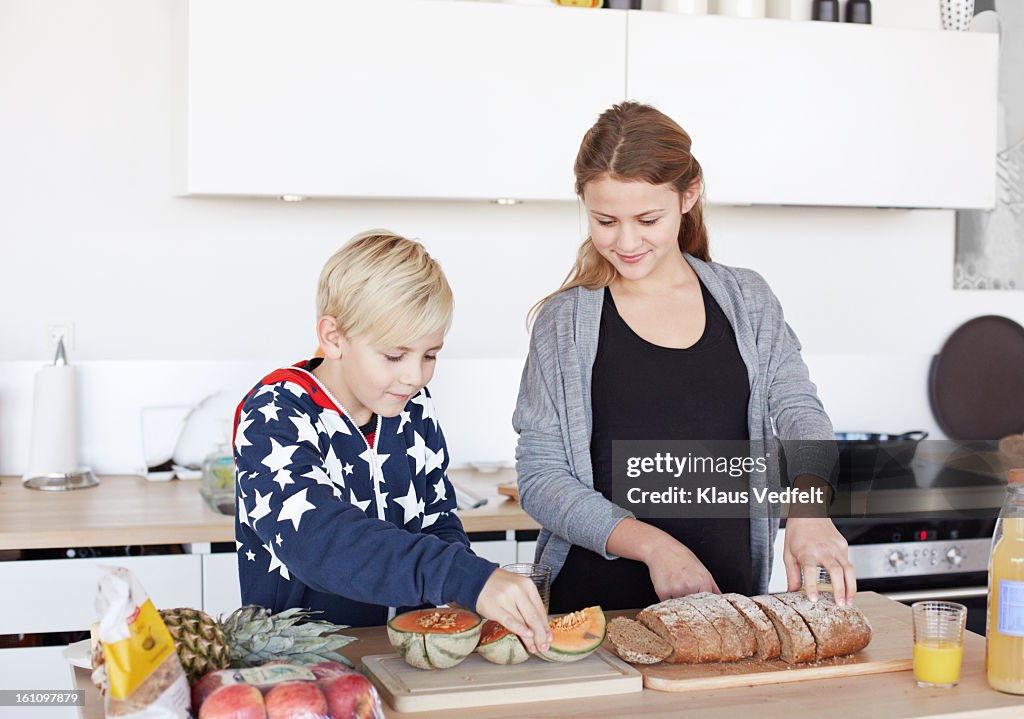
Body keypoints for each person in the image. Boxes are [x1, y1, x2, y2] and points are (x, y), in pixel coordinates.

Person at [512, 102, 855, 613]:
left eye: (648, 219)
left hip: (731, 603)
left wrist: (810, 508)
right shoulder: (563, 322)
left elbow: (799, 409)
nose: (626, 241)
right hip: (593, 611)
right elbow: (540, 478)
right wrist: (656, 548)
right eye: (605, 220)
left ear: (688, 196)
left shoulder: (747, 299)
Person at [234, 231, 550, 653]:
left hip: (404, 657)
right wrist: (466, 577)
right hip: (301, 666)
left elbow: (437, 521)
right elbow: (320, 541)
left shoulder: (411, 407)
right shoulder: (273, 415)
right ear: (333, 337)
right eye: (394, 355)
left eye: (430, 355)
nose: (415, 377)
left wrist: (466, 596)